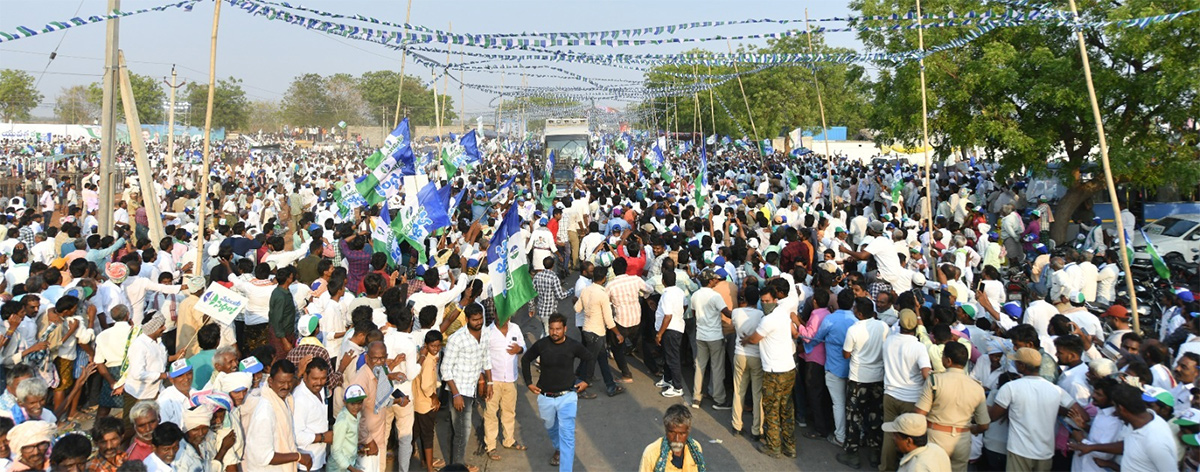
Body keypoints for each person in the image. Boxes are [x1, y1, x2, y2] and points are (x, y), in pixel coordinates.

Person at [522, 313, 594, 472]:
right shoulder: (542, 344)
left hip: (567, 397)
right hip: (545, 397)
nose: (554, 332)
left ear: (565, 329)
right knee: (550, 426)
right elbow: (526, 359)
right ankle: (558, 447)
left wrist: (586, 381)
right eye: (552, 329)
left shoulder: (573, 346)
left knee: (567, 436)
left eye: (558, 329)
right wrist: (528, 383)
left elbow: (589, 358)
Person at [989, 348, 1080, 471]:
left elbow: (993, 416)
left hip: (1019, 451)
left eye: (1016, 362)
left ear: (1021, 365)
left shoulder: (1010, 387)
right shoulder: (1056, 390)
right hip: (1045, 452)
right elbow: (1081, 413)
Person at [740, 278, 799, 459]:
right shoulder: (782, 312)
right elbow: (794, 331)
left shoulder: (768, 320)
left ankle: (774, 447)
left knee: (772, 409)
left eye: (767, 301)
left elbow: (755, 339)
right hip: (789, 368)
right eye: (762, 301)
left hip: (774, 371)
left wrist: (745, 339)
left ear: (775, 299)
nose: (765, 304)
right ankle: (790, 447)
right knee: (786, 408)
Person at [913, 342, 989, 471]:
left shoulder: (934, 380)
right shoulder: (977, 387)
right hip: (962, 439)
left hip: (936, 436)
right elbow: (984, 425)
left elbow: (919, 414)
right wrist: (971, 429)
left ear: (948, 360)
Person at [440, 304, 492, 471]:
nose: (478, 322)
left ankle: (455, 463)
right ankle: (458, 466)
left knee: (459, 430)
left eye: (480, 319)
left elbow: (486, 358)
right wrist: (456, 395)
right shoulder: (457, 339)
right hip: (460, 390)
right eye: (475, 319)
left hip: (473, 387)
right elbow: (445, 369)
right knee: (463, 431)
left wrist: (489, 382)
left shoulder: (485, 334)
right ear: (467, 319)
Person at [879, 309, 932, 471]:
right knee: (911, 438)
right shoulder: (918, 347)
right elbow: (926, 375)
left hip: (890, 394)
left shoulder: (888, 341)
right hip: (912, 399)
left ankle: (886, 467)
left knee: (889, 434)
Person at [245, 359, 312, 471]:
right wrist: (298, 456)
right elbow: (264, 456)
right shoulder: (265, 412)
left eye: (289, 382)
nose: (286, 386)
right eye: (281, 382)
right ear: (270, 381)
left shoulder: (284, 399)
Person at [483, 310, 527, 460]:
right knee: (490, 414)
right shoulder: (488, 332)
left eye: (507, 314)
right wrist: (485, 381)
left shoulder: (515, 328)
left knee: (509, 411)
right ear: (495, 314)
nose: (505, 318)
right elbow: (483, 356)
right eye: (501, 314)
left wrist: (519, 349)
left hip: (510, 379)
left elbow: (524, 347)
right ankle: (490, 446)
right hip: (493, 380)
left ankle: (509, 440)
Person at [729, 284, 764, 439]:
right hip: (756, 355)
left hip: (740, 354)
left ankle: (737, 424)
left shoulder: (736, 312)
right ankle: (757, 429)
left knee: (739, 390)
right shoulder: (761, 315)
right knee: (757, 394)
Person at [638, 404, 706, 472]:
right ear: (666, 429)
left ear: (688, 431)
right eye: (672, 433)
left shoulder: (696, 449)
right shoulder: (651, 453)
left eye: (682, 434)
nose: (677, 439)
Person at [413, 330, 446, 472]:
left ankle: (422, 460)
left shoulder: (422, 357)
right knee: (428, 435)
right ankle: (430, 467)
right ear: (426, 345)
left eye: (438, 346)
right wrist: (435, 398)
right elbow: (426, 385)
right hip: (426, 404)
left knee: (417, 432)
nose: (436, 349)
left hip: (417, 402)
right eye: (433, 346)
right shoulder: (428, 362)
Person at [293, 357, 332, 472]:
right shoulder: (300, 398)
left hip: (320, 459)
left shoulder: (320, 390)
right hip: (307, 465)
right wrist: (323, 437)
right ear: (305, 376)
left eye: (323, 378)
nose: (319, 383)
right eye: (315, 379)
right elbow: (296, 436)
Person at [882, 413, 951, 472]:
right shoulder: (936, 449)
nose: (893, 438)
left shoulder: (917, 468)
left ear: (909, 441)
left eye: (896, 436)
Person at [329, 384, 366, 472]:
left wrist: (358, 447)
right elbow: (336, 451)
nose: (356, 407)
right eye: (352, 403)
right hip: (338, 468)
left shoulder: (357, 415)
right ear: (344, 402)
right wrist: (352, 469)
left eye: (359, 403)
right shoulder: (343, 421)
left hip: (349, 463)